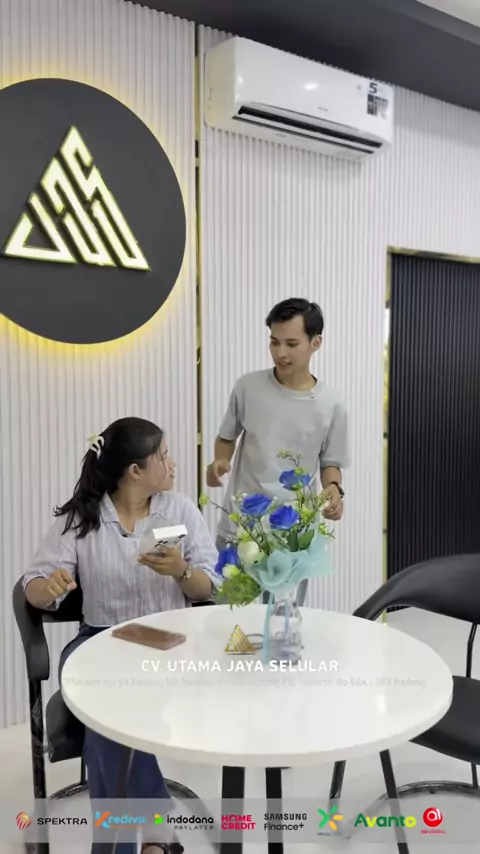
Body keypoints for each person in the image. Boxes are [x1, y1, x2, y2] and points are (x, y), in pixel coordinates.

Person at [23, 417, 218, 854]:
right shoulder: (82, 518)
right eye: (163, 456)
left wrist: (181, 571)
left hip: (169, 644)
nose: (172, 463)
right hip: (98, 644)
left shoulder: (180, 510)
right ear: (135, 470)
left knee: (105, 725)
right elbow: (33, 585)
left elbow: (210, 585)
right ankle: (158, 833)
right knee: (109, 709)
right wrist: (48, 589)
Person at [206, 298, 349, 604]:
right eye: (274, 341)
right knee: (229, 622)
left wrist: (334, 489)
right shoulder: (247, 387)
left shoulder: (331, 404)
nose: (280, 352)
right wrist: (220, 460)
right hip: (239, 530)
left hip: (293, 539)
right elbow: (226, 437)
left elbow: (331, 463)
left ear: (316, 343)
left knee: (284, 624)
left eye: (291, 344)